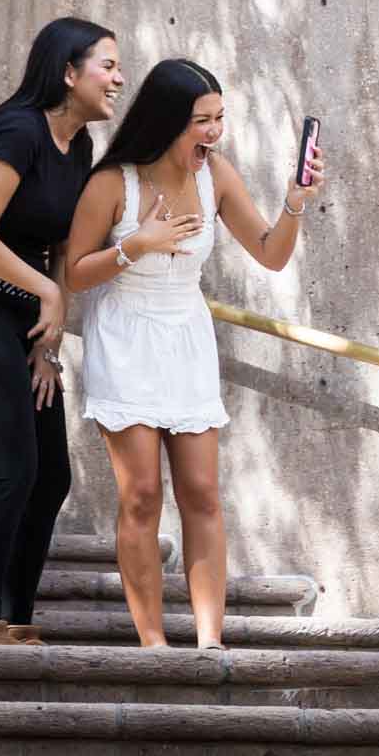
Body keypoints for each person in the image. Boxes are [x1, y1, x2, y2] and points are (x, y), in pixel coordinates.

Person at [64, 58, 328, 650]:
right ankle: (153, 643)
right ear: (165, 123)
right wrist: (137, 245)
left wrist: (295, 202)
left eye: (219, 119)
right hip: (126, 335)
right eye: (201, 122)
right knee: (141, 495)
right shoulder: (113, 184)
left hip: (186, 333)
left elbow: (271, 254)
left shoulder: (216, 176)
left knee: (203, 492)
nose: (213, 132)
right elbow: (75, 275)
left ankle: (211, 642)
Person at [0, 16, 123, 647]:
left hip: (25, 321)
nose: (119, 78)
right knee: (15, 466)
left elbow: (63, 256)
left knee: (53, 477)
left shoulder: (81, 151)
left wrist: (47, 343)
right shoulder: (16, 133)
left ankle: (16, 620)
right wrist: (43, 292)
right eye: (108, 66)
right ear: (68, 73)